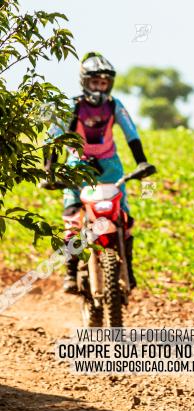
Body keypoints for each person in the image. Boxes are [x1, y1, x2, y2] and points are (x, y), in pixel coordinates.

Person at [44, 52, 154, 293]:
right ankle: (71, 273)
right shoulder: (73, 106)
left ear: (110, 85)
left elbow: (131, 133)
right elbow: (53, 137)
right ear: (84, 82)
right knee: (72, 218)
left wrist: (142, 162)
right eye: (95, 82)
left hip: (110, 168)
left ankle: (129, 270)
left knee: (123, 218)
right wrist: (49, 170)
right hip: (76, 167)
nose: (99, 88)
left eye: (104, 83)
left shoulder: (115, 105)